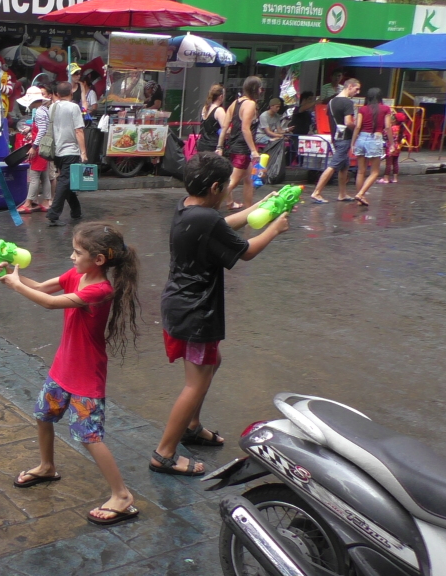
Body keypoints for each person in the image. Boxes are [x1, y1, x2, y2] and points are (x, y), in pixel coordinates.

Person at [150, 152, 289, 476]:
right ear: (215, 187)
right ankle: (164, 453)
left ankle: (192, 426)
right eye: (228, 185)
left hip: (181, 304)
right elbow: (246, 251)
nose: (230, 190)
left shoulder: (189, 208)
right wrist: (275, 228)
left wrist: (262, 208)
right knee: (195, 382)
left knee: (212, 363)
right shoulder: (207, 219)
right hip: (196, 311)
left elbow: (222, 227)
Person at [0, 222, 141, 526]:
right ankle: (47, 466)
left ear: (99, 259)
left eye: (78, 252)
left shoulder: (100, 289)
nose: (72, 257)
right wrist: (14, 276)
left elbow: (50, 303)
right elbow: (41, 289)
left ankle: (122, 494)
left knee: (89, 436)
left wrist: (15, 285)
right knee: (43, 414)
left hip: (86, 373)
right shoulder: (76, 274)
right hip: (64, 365)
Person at [309, 78, 362, 204]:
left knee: (344, 166)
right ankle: (317, 192)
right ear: (349, 86)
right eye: (356, 89)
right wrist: (357, 129)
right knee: (333, 165)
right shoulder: (347, 103)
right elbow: (348, 122)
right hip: (344, 138)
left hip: (336, 137)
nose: (358, 92)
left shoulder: (332, 101)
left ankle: (342, 194)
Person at [215, 76, 262, 211]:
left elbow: (224, 127)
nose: (261, 90)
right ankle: (209, 204)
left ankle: (248, 209)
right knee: (232, 182)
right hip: (243, 148)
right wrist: (253, 150)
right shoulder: (250, 104)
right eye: (260, 87)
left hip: (234, 146)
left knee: (248, 180)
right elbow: (245, 128)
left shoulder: (235, 103)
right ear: (255, 89)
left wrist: (220, 146)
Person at [46, 82, 86, 227]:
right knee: (64, 180)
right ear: (71, 92)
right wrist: (83, 152)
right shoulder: (74, 107)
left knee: (66, 180)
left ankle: (76, 211)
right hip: (70, 150)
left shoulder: (52, 107)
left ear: (57, 94)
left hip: (57, 150)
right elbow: (79, 131)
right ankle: (53, 213)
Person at [350, 87, 394, 207]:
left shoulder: (362, 109)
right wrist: (392, 143)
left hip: (361, 138)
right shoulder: (385, 109)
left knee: (360, 171)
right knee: (374, 172)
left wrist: (353, 142)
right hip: (375, 139)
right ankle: (361, 194)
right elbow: (388, 127)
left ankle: (359, 197)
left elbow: (358, 126)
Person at [17, 86, 51, 214]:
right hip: (44, 146)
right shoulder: (43, 110)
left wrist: (34, 147)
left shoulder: (40, 112)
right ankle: (47, 201)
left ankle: (28, 203)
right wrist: (30, 129)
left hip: (40, 147)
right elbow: (43, 127)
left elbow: (42, 130)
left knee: (35, 175)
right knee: (44, 175)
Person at [196, 84, 225, 154]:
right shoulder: (219, 110)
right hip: (213, 146)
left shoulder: (205, 108)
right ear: (221, 97)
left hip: (202, 144)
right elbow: (225, 129)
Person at [381, 111, 406, 185]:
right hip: (398, 148)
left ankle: (386, 179)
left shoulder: (391, 128)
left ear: (394, 120)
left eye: (391, 118)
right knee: (395, 163)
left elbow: (385, 136)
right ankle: (395, 179)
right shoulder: (400, 128)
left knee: (388, 163)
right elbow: (403, 138)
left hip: (390, 147)